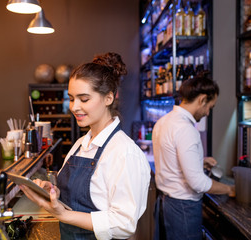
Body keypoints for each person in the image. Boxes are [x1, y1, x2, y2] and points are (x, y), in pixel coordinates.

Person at [20, 52, 151, 239]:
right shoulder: (81, 144)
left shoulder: (124, 153)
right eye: (72, 98)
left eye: (84, 99)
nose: (74, 107)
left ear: (109, 98)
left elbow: (124, 224)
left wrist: (63, 214)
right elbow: (75, 197)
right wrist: (53, 192)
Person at [152, 76, 235, 240]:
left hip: (166, 203)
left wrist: (199, 160)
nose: (207, 113)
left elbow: (170, 157)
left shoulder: (163, 121)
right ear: (202, 99)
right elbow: (197, 183)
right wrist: (230, 190)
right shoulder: (186, 130)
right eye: (209, 107)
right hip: (184, 208)